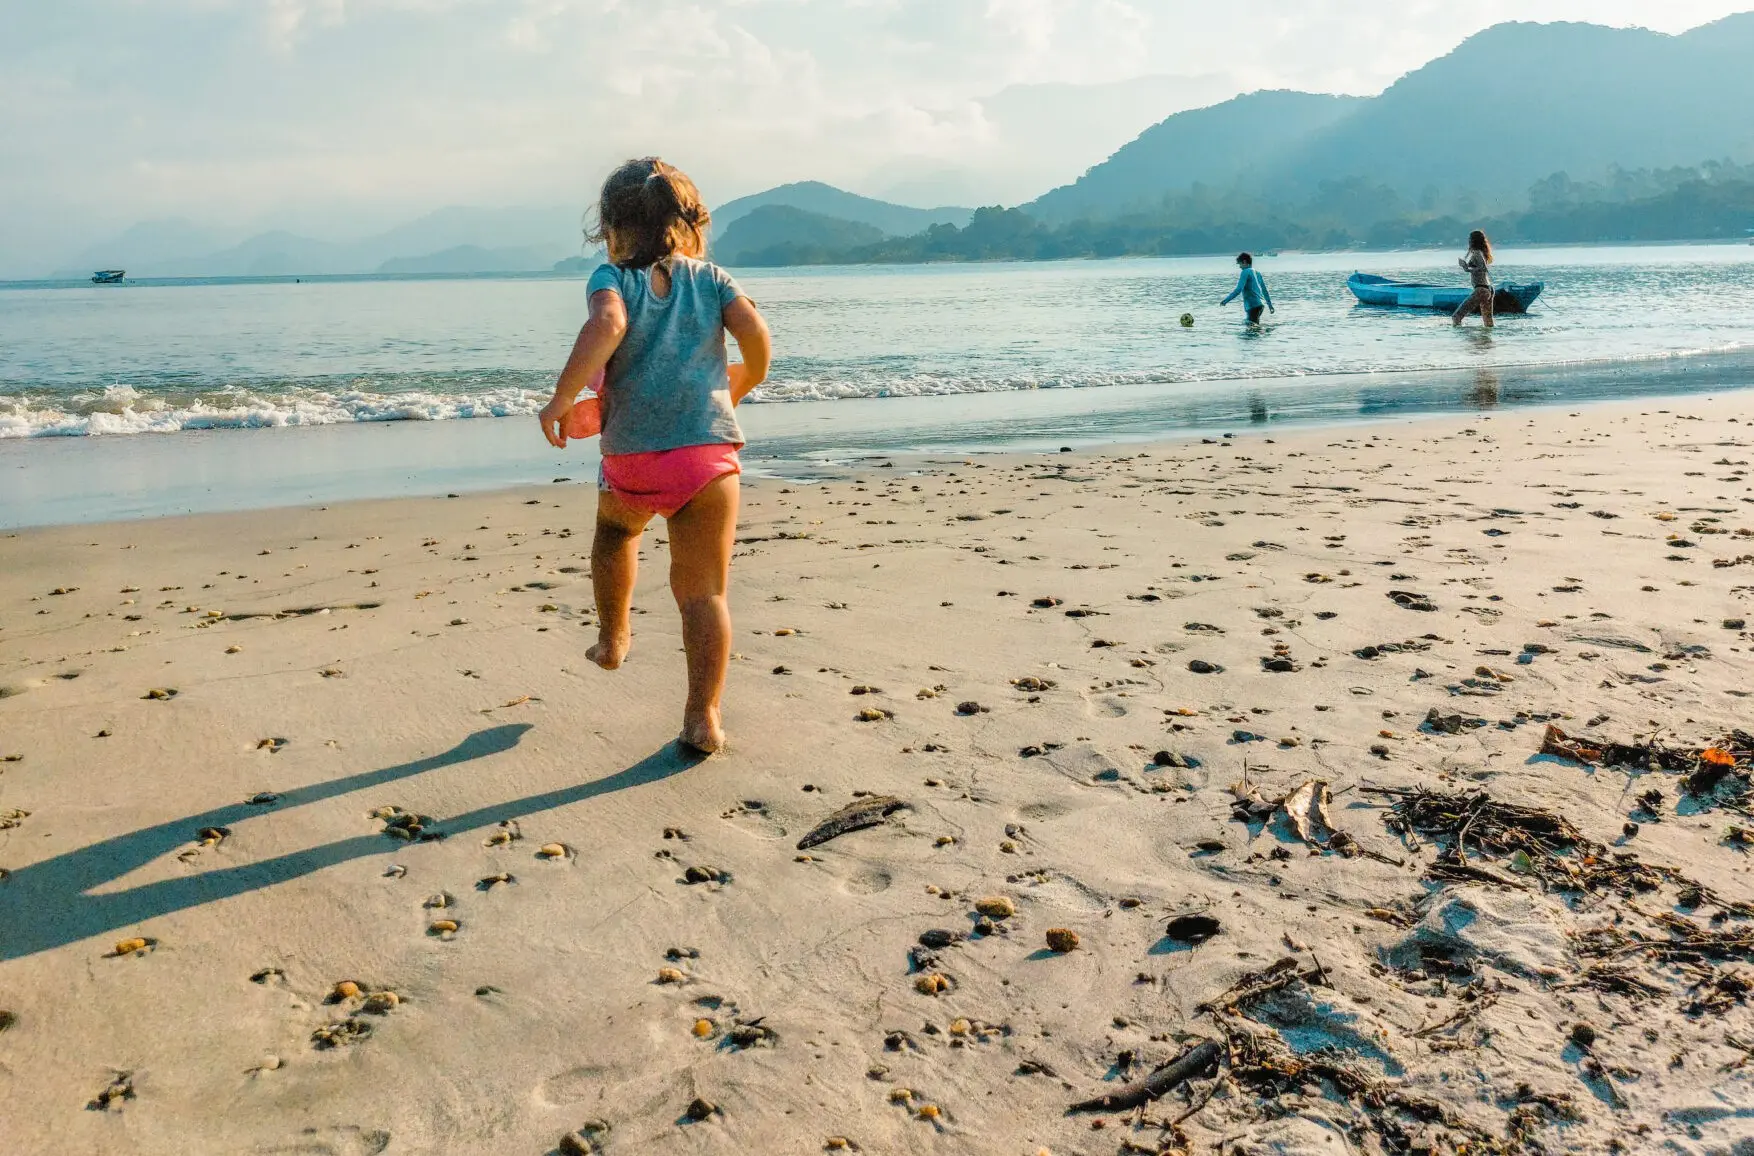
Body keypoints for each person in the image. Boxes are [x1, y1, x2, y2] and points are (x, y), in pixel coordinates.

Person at [539, 157, 773, 753]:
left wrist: (563, 398)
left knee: (616, 533)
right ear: (687, 220)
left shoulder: (611, 279)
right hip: (707, 456)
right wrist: (744, 384)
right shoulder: (713, 278)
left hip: (634, 457)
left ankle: (614, 636)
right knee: (705, 595)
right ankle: (703, 719)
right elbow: (755, 334)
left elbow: (609, 325)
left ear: (611, 226)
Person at [1453, 229, 1495, 328]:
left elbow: (1482, 268)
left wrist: (1466, 268)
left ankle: (1468, 341)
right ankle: (1485, 342)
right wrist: (1467, 267)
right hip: (1488, 289)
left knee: (1456, 317)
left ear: (1473, 241)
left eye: (1469, 239)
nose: (1468, 241)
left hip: (1481, 289)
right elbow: (1480, 267)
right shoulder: (1481, 252)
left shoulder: (1476, 253)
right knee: (1488, 324)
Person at [1220, 252, 1274, 324]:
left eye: (1240, 264)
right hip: (1261, 306)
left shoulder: (1245, 272)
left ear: (1245, 262)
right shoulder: (1257, 273)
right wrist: (1270, 305)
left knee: (1250, 331)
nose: (1240, 267)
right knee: (1254, 326)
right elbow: (1264, 291)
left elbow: (1239, 289)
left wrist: (1225, 300)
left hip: (1252, 306)